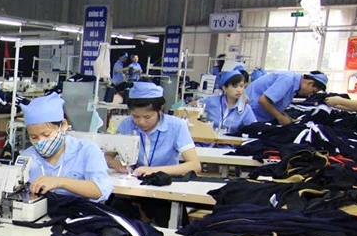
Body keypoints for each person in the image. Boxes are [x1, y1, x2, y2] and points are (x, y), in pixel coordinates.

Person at [105, 81, 201, 227]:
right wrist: (116, 164)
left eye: (147, 117)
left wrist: (152, 170)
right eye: (136, 116)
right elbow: (107, 156)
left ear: (160, 110)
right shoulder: (126, 124)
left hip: (166, 190)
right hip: (134, 189)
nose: (141, 122)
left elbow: (194, 165)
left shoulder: (176, 126)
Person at [20, 93, 113, 201]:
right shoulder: (27, 156)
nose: (40, 142)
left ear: (63, 125)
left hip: (78, 214)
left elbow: (101, 190)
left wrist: (60, 182)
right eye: (34, 137)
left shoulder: (87, 151)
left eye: (46, 135)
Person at [246, 70, 328, 125]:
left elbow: (275, 105)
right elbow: (263, 100)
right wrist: (280, 117)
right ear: (310, 83)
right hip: (251, 115)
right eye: (312, 91)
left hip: (258, 117)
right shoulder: (287, 80)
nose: (310, 95)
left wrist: (286, 117)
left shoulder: (294, 87)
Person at [198, 70, 256, 134]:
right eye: (235, 86)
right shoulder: (211, 101)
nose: (239, 90)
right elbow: (192, 108)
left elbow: (254, 129)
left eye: (241, 86)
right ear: (224, 88)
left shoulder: (245, 108)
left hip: (230, 143)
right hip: (207, 142)